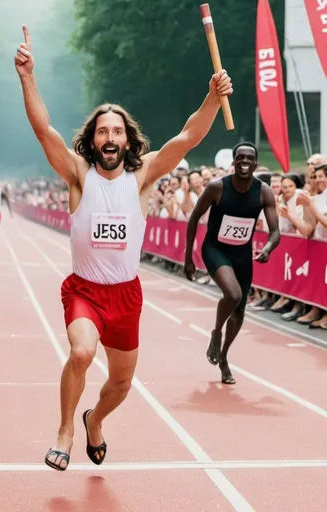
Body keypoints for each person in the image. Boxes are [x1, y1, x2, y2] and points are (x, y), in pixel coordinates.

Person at [15, 25, 233, 471]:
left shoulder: (143, 177)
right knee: (81, 352)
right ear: (92, 140)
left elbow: (188, 137)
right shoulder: (79, 175)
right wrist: (27, 76)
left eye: (117, 131)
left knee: (120, 386)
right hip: (84, 291)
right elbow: (43, 131)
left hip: (126, 295)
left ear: (127, 140)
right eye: (102, 132)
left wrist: (212, 97)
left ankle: (94, 419)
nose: (110, 138)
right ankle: (65, 430)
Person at [184, 142, 280, 384]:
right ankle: (216, 332)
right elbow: (194, 217)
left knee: (240, 308)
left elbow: (275, 231)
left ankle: (224, 357)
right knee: (234, 294)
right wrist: (188, 257)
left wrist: (268, 248)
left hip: (242, 253)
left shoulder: (263, 191)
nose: (244, 161)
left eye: (249, 158)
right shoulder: (217, 187)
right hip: (215, 249)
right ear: (233, 162)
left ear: (255, 164)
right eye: (240, 157)